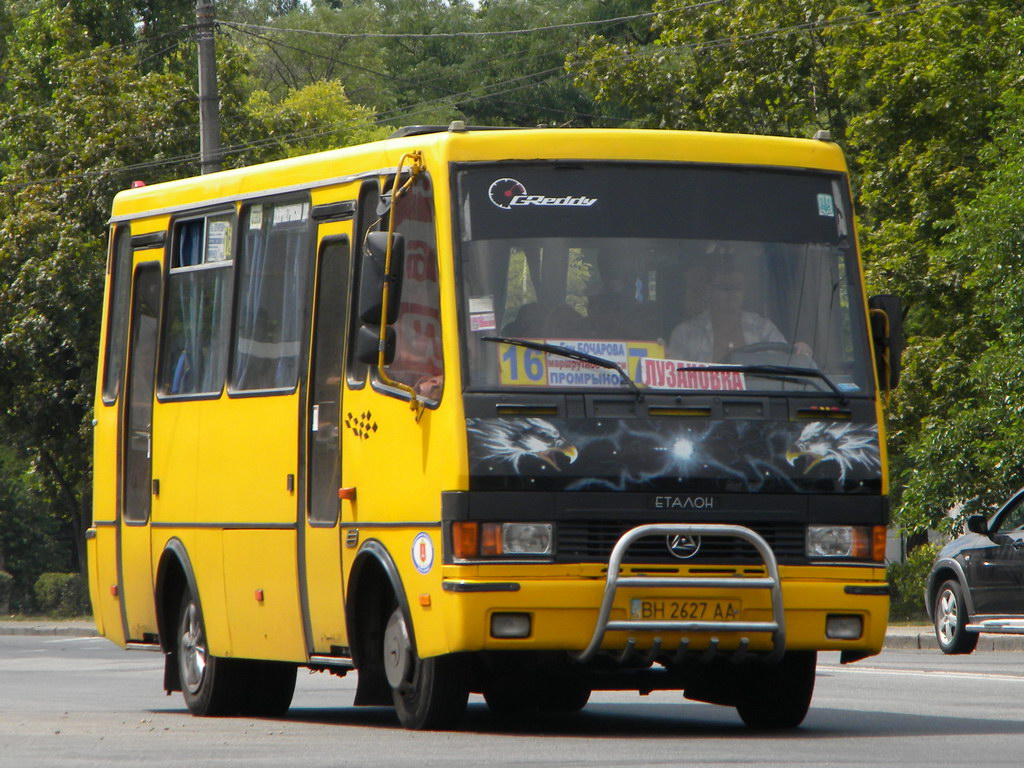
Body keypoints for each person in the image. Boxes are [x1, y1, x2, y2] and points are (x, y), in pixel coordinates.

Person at [667, 265, 812, 362]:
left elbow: (785, 365)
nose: (732, 293)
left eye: (738, 287)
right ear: (709, 290)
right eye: (724, 287)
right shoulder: (685, 333)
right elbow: (672, 378)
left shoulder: (762, 328)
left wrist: (799, 352)